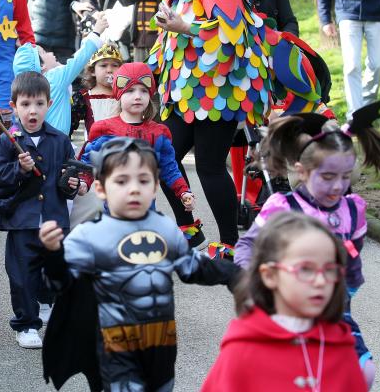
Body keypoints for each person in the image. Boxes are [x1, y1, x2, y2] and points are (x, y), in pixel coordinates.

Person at [149, 0, 323, 258]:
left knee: (211, 167)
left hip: (218, 91)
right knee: (162, 155)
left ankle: (230, 243)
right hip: (183, 93)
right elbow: (169, 43)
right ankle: (190, 228)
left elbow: (232, 33)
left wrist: (184, 26)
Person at [39, 138, 237, 391]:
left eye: (143, 181)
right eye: (121, 181)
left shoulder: (165, 228)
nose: (133, 189)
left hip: (161, 346)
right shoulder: (88, 235)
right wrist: (54, 254)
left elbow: (194, 268)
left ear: (155, 186)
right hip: (114, 348)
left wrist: (237, 275)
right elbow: (60, 283)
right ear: (101, 188)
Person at [234, 103, 380, 387]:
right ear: (301, 171)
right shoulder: (283, 207)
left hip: (336, 311)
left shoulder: (352, 209)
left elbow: (354, 250)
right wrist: (254, 285)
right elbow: (247, 247)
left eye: (345, 176)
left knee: (363, 372)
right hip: (286, 311)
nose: (339, 186)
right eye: (327, 177)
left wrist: (347, 284)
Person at [202, 212, 367, 391]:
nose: (321, 281)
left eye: (329, 270)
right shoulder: (242, 352)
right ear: (270, 275)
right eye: (305, 269)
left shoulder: (341, 348)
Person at [0, 72, 85, 349]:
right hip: (22, 220)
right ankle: (26, 324)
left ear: (49, 104)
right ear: (14, 106)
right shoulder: (8, 140)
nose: (32, 110)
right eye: (26, 104)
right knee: (21, 274)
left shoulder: (60, 140)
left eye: (39, 104)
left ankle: (46, 303)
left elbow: (68, 178)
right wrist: (20, 168)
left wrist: (73, 184)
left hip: (53, 218)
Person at [79, 63, 199, 242]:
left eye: (143, 91)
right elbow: (88, 161)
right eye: (130, 91)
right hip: (113, 206)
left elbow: (169, 166)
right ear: (119, 95)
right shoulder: (105, 129)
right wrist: (83, 182)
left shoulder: (158, 133)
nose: (137, 96)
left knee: (141, 248)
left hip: (145, 207)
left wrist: (183, 191)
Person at [12, 15, 108, 135]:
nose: (51, 53)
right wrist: (96, 32)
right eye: (44, 52)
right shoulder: (54, 78)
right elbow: (78, 60)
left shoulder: (25, 88)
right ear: (42, 66)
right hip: (57, 142)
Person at [70, 43, 122, 138]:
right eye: (103, 65)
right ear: (92, 71)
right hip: (95, 149)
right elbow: (69, 125)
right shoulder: (84, 97)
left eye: (114, 65)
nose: (109, 70)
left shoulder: (125, 95)